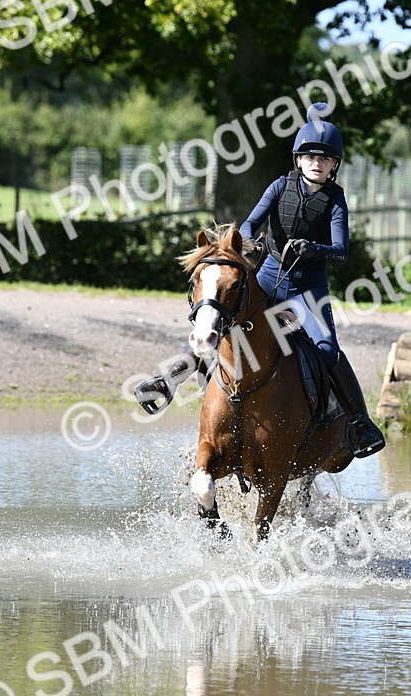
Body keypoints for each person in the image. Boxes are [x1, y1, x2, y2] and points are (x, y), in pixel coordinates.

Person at [134, 102, 385, 458]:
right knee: (217, 327)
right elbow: (250, 223)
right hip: (268, 279)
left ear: (334, 165)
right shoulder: (280, 185)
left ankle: (360, 423)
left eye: (325, 158)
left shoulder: (335, 200)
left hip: (307, 290)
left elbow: (341, 250)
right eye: (311, 156)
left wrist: (313, 247)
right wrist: (250, 242)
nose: (317, 162)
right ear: (298, 159)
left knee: (328, 351)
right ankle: (166, 382)